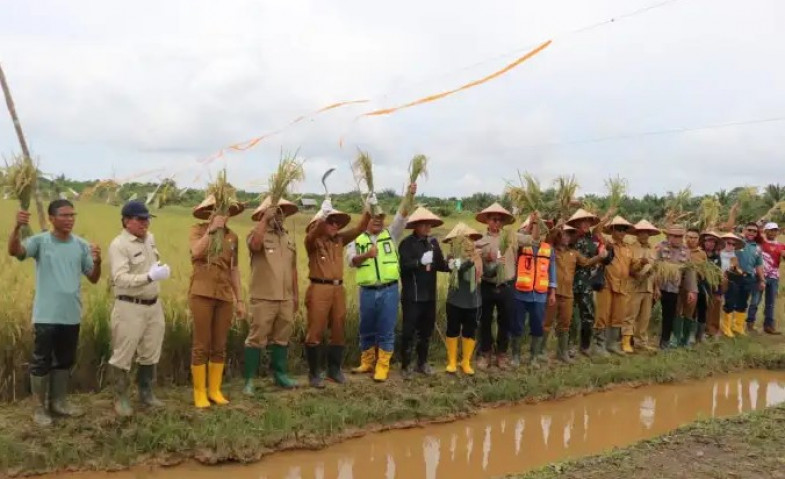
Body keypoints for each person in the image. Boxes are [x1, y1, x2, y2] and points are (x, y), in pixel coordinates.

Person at [8, 200, 101, 426]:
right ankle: (39, 408)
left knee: (65, 361)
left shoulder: (80, 245)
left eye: (72, 215)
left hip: (71, 314)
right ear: (51, 218)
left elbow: (94, 277)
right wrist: (17, 227)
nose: (69, 219)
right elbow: (15, 251)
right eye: (64, 215)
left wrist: (98, 261)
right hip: (46, 315)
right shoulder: (40, 241)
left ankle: (59, 403)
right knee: (41, 361)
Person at [346, 185, 415, 382]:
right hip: (367, 291)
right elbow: (351, 261)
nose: (378, 220)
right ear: (367, 218)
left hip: (389, 290)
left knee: (386, 328)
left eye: (380, 217)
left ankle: (383, 365)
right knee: (366, 327)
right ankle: (367, 362)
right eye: (373, 216)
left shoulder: (391, 234)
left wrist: (409, 195)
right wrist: (366, 255)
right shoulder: (357, 239)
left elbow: (402, 216)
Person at [107, 201, 170, 416]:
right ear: (126, 221)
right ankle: (121, 398)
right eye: (140, 219)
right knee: (123, 354)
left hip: (153, 305)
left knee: (151, 351)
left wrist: (159, 271)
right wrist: (149, 277)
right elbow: (120, 278)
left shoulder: (149, 239)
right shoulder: (119, 245)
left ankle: (146, 393)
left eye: (147, 219)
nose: (145, 223)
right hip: (129, 306)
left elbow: (150, 264)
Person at [304, 198, 372, 388]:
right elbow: (314, 233)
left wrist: (368, 208)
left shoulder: (339, 240)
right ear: (321, 224)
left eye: (337, 222)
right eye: (330, 222)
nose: (335, 225)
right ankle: (314, 373)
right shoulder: (312, 242)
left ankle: (334, 370)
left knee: (338, 328)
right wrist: (323, 216)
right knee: (315, 329)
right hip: (319, 288)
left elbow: (359, 230)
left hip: (338, 289)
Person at [188, 194, 246, 408]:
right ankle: (199, 392)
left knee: (220, 345)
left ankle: (215, 389)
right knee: (201, 344)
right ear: (209, 212)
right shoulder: (198, 230)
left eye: (226, 211)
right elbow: (195, 252)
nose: (223, 215)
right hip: (202, 293)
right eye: (218, 210)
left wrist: (239, 299)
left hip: (224, 296)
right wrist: (212, 231)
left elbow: (234, 270)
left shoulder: (233, 237)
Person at [243, 196, 300, 395]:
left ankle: (280, 375)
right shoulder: (257, 233)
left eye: (281, 211)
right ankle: (249, 380)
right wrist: (263, 221)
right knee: (256, 338)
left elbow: (293, 270)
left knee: (282, 338)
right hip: (264, 297)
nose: (279, 215)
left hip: (285, 298)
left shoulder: (288, 238)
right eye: (275, 211)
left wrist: (295, 296)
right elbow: (254, 246)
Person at [398, 207, 449, 379]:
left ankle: (422, 363)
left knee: (426, 332)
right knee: (409, 332)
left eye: (430, 224)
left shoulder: (433, 243)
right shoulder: (407, 244)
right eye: (425, 224)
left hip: (429, 295)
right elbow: (403, 266)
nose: (428, 228)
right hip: (412, 296)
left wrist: (453, 265)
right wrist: (419, 262)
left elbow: (441, 265)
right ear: (416, 226)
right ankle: (406, 365)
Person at [544, 224, 602, 362]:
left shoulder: (574, 253)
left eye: (569, 235)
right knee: (546, 322)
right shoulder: (551, 251)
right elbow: (547, 238)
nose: (566, 237)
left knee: (565, 324)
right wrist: (557, 227)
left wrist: (600, 257)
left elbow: (587, 262)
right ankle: (540, 352)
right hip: (553, 293)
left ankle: (562, 353)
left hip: (568, 294)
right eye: (564, 234)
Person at [475, 202, 516, 370]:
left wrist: (535, 222)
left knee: (505, 322)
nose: (497, 222)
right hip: (487, 285)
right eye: (494, 219)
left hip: (506, 285)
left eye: (500, 220)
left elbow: (533, 240)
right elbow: (474, 261)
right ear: (487, 221)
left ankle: (502, 354)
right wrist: (486, 260)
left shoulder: (511, 237)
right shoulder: (480, 241)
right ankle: (485, 353)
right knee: (485, 321)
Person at [510, 212, 552, 367]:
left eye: (540, 229)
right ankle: (515, 356)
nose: (537, 231)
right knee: (518, 325)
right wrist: (532, 222)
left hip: (539, 295)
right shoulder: (520, 247)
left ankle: (533, 357)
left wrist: (552, 292)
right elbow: (521, 237)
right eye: (535, 228)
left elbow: (551, 271)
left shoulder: (548, 249)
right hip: (520, 294)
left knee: (537, 326)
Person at [442, 223, 483, 375]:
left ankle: (466, 361)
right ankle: (452, 361)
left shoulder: (477, 256)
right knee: (452, 329)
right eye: (463, 239)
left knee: (470, 331)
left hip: (473, 302)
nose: (467, 242)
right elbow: (457, 268)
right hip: (455, 301)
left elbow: (482, 274)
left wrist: (498, 265)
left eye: (469, 239)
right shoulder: (451, 259)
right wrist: (470, 261)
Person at [593, 216, 636, 356]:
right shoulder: (607, 243)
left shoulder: (628, 248)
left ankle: (611, 344)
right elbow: (596, 231)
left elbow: (633, 267)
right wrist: (606, 217)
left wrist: (642, 263)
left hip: (622, 286)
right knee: (602, 315)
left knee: (618, 316)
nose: (622, 232)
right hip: (606, 283)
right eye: (618, 229)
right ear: (612, 230)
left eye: (624, 229)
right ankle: (599, 346)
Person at [566, 208, 606, 355]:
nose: (585, 224)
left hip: (586, 283)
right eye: (581, 221)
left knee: (588, 315)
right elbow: (583, 261)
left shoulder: (591, 240)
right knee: (570, 316)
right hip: (570, 281)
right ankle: (569, 346)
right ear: (575, 223)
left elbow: (599, 256)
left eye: (587, 221)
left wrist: (603, 254)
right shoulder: (570, 238)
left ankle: (585, 346)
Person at [655, 226, 697, 349]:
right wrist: (656, 287)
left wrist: (691, 290)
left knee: (669, 315)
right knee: (644, 312)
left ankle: (664, 341)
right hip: (657, 286)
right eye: (674, 236)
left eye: (679, 236)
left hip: (673, 288)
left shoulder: (686, 251)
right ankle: (633, 340)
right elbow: (654, 267)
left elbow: (689, 271)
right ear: (669, 236)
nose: (677, 239)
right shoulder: (660, 247)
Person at [624, 220, 659, 352]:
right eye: (641, 232)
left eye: (646, 232)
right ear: (637, 233)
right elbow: (627, 268)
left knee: (645, 317)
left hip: (649, 287)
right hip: (634, 286)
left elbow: (656, 270)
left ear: (649, 234)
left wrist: (656, 288)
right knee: (630, 315)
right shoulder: (630, 248)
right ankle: (626, 341)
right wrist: (640, 266)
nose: (644, 235)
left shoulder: (653, 250)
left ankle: (641, 342)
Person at [725, 222, 765, 335]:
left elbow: (759, 265)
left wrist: (762, 280)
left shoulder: (757, 248)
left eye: (754, 231)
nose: (752, 232)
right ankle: (726, 327)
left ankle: (738, 326)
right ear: (744, 230)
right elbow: (728, 229)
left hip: (748, 277)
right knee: (730, 301)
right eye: (749, 230)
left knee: (743, 302)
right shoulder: (736, 241)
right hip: (734, 275)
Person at [747, 222, 785, 334]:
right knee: (755, 300)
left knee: (770, 302)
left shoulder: (781, 246)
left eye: (775, 230)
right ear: (765, 231)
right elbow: (754, 233)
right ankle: (750, 323)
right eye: (771, 230)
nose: (773, 232)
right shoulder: (760, 242)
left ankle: (768, 326)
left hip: (774, 277)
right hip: (760, 275)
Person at [675, 228, 707, 347]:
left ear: (698, 240)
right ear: (685, 237)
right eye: (689, 237)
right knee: (677, 311)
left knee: (689, 313)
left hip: (693, 287)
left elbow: (704, 272)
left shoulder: (702, 253)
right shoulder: (679, 249)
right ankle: (676, 338)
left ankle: (686, 339)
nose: (691, 240)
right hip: (677, 286)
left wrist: (697, 272)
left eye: (694, 238)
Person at [697, 231, 723, 339]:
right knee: (698, 309)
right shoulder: (699, 253)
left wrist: (718, 291)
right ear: (703, 242)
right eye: (708, 240)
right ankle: (697, 332)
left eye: (713, 241)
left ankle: (709, 330)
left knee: (711, 307)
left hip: (712, 287)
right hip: (699, 285)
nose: (711, 243)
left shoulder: (717, 257)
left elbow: (718, 274)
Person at [719, 232, 744, 337]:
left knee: (729, 301)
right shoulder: (718, 253)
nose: (731, 246)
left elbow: (736, 269)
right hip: (717, 279)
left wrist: (737, 270)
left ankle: (726, 326)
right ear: (723, 242)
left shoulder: (734, 256)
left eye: (733, 244)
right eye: (729, 243)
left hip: (729, 280)